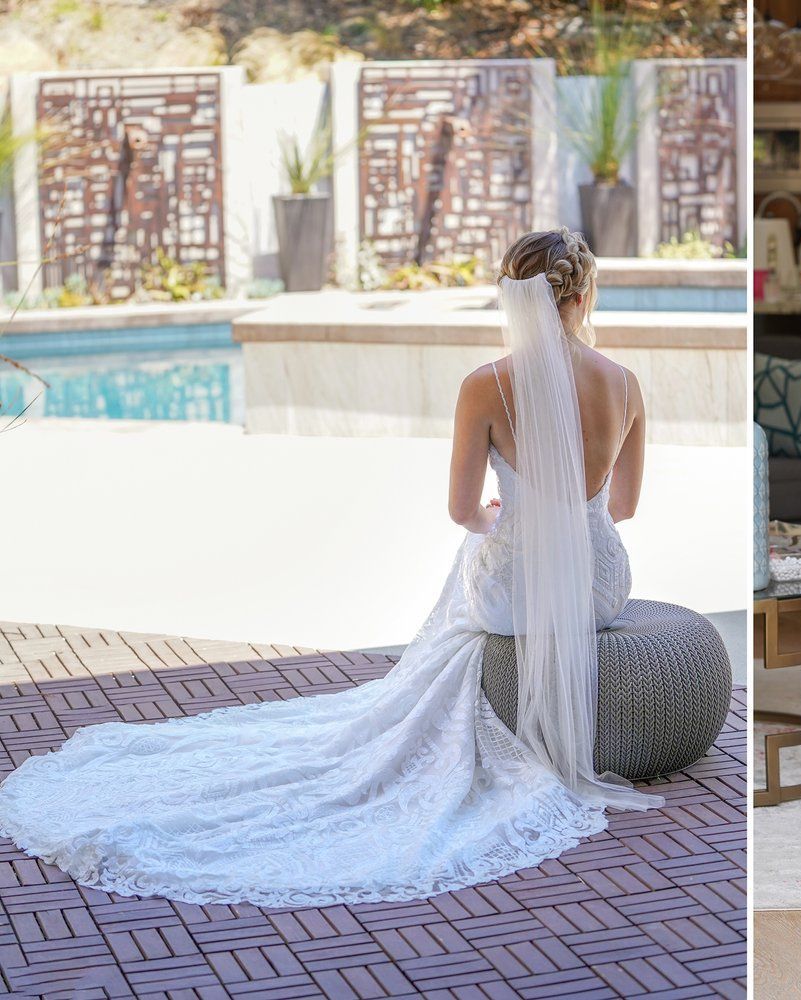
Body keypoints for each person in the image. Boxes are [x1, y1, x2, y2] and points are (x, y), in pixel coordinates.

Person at [0, 227, 664, 907]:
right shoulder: (625, 384)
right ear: (583, 295)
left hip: (510, 601)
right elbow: (628, 507)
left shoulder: (484, 385)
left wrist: (511, 519)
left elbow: (464, 511)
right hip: (599, 588)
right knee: (520, 551)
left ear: (511, 297)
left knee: (480, 557)